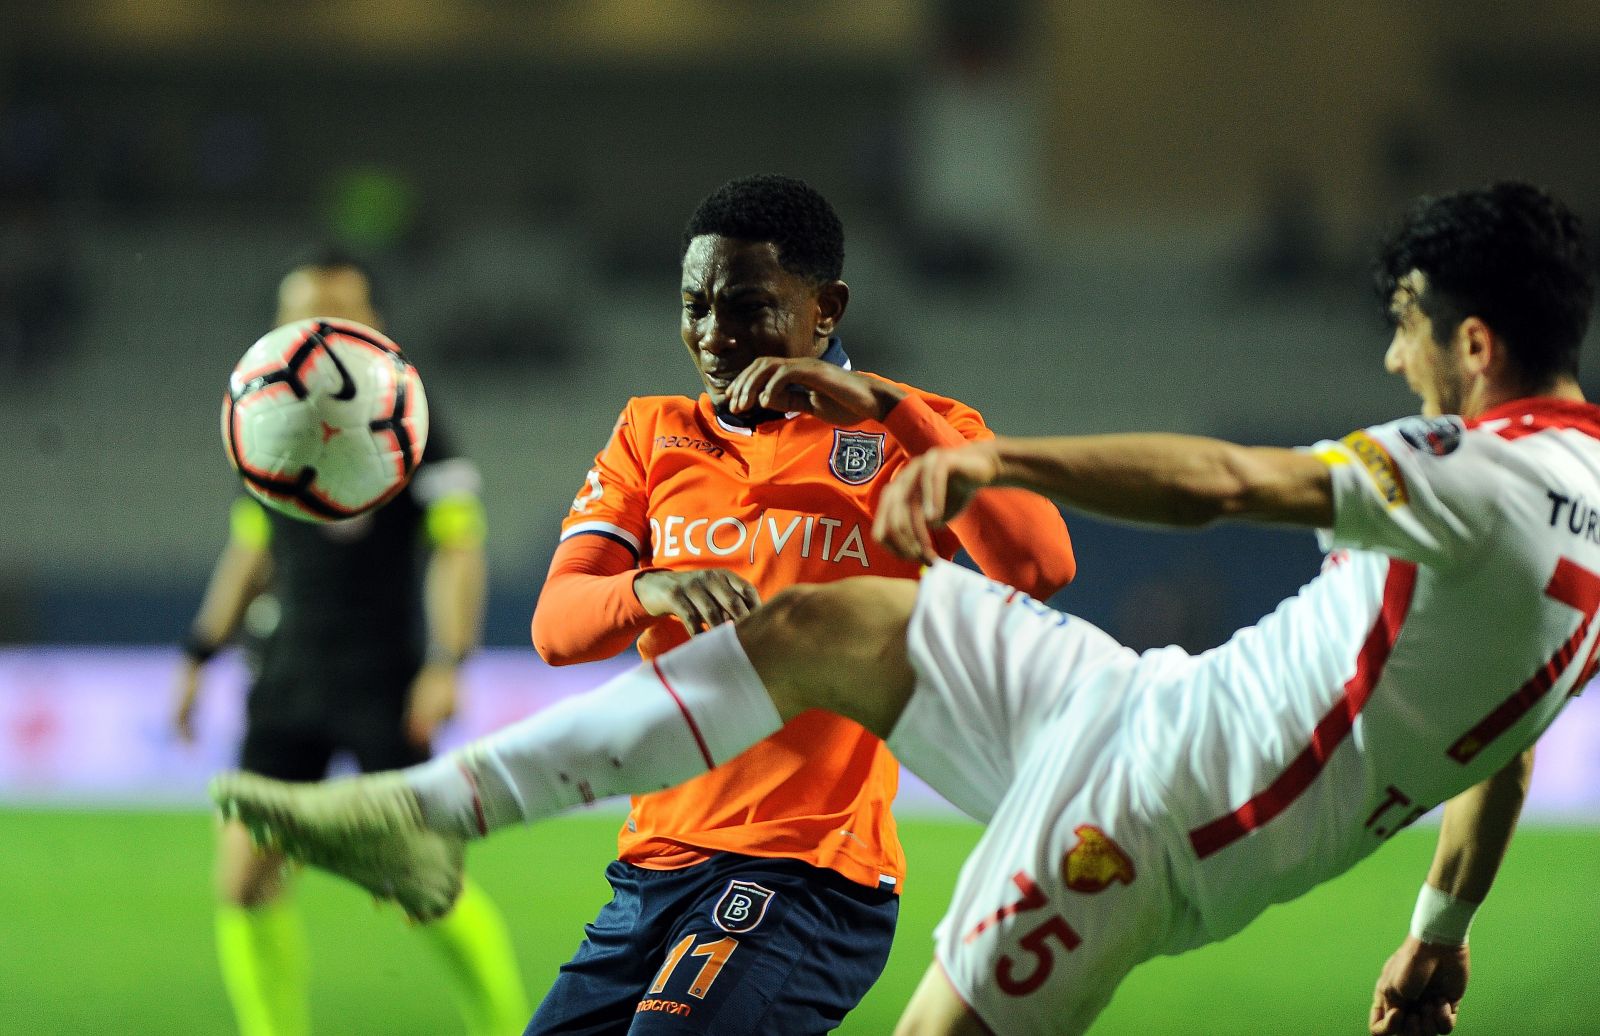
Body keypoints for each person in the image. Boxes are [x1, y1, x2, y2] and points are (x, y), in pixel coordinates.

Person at [211, 179, 1595, 1036]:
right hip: (1146, 697)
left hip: (1156, 813)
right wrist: (1437, 935)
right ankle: (431, 817)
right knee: (838, 622)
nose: (1391, 350)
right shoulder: (1572, 514)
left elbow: (1224, 484)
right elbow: (1502, 738)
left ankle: (435, 813)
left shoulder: (1460, 471)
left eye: (1408, 321)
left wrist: (977, 452)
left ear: (1474, 344)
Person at [525, 173, 1074, 1032]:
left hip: (808, 873)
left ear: (827, 308)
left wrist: (891, 410)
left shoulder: (915, 432)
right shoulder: (651, 432)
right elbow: (558, 628)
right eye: (694, 304)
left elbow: (1039, 565)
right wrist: (649, 587)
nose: (713, 335)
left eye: (747, 306)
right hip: (653, 866)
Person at [175, 248, 529, 1036]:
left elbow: (459, 548)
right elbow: (252, 552)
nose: (318, 330)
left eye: (339, 313)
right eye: (303, 313)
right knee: (243, 879)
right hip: (289, 672)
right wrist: (200, 652)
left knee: (423, 886)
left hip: (384, 679)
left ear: (375, 324)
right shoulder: (263, 419)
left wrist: (448, 660)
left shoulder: (410, 418)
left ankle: (511, 1028)